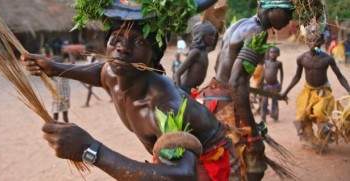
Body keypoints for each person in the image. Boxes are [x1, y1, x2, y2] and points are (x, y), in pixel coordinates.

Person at [23, 0, 232, 180]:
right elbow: (101, 72)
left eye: (139, 41)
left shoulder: (163, 108)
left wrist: (90, 149)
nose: (122, 48)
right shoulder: (112, 74)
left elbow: (183, 174)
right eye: (117, 38)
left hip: (206, 157)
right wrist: (55, 68)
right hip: (167, 157)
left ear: (153, 58)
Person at [199, 0, 294, 180]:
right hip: (225, 103)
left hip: (210, 94)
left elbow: (221, 67)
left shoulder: (240, 24)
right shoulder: (257, 32)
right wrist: (253, 136)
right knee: (253, 166)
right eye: (288, 12)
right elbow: (235, 83)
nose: (290, 19)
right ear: (272, 7)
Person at [281, 35, 350, 149]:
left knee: (319, 112)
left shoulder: (327, 59)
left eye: (317, 40)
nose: (314, 43)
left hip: (323, 91)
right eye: (311, 40)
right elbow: (297, 77)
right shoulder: (302, 58)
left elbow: (340, 76)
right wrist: (285, 92)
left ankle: (323, 140)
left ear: (322, 41)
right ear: (307, 42)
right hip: (308, 91)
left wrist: (348, 89)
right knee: (302, 113)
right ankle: (310, 139)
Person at [174, 22, 218, 95]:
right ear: (202, 36)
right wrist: (179, 93)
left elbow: (213, 47)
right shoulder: (195, 53)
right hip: (185, 89)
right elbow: (177, 74)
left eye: (213, 36)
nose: (213, 38)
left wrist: (218, 30)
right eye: (211, 35)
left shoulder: (204, 51)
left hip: (194, 90)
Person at [260, 46, 283, 122]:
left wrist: (281, 84)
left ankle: (275, 115)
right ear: (268, 53)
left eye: (275, 52)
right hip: (266, 85)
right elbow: (264, 72)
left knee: (275, 100)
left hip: (275, 85)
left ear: (278, 54)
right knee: (264, 101)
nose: (273, 54)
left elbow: (282, 74)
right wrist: (261, 81)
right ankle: (263, 118)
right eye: (271, 52)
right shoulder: (266, 62)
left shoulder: (279, 63)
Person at [51, 57, 71, 123]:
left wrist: (71, 56)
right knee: (56, 115)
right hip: (57, 98)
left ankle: (67, 126)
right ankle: (55, 127)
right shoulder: (53, 75)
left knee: (63, 115)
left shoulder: (65, 73)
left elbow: (72, 65)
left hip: (64, 98)